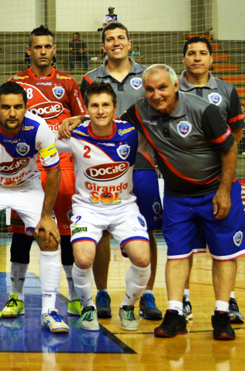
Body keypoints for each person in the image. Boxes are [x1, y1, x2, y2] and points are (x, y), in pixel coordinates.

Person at [62, 64, 244, 341]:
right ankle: (174, 313)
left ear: (175, 86)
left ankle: (221, 314)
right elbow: (106, 121)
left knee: (223, 254)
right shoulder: (138, 113)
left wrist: (223, 190)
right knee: (178, 253)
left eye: (161, 88)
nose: (156, 94)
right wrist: (77, 118)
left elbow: (230, 146)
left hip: (215, 189)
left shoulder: (203, 110)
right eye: (149, 89)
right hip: (177, 195)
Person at [0, 81, 67, 333]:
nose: (12, 113)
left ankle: (49, 311)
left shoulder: (38, 127)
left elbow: (53, 172)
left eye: (18, 107)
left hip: (26, 187)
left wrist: (46, 216)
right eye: (5, 107)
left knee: (49, 237)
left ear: (26, 107)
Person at [80, 22, 162, 321]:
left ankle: (148, 294)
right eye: (109, 39)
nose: (115, 43)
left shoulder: (149, 75)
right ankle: (102, 291)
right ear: (103, 47)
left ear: (130, 43)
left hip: (141, 163)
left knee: (147, 229)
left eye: (120, 38)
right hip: (101, 166)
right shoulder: (89, 79)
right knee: (100, 229)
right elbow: (82, 116)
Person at [56, 81, 151, 332]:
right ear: (86, 109)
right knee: (85, 259)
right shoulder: (75, 133)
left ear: (114, 108)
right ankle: (88, 308)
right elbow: (41, 140)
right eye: (94, 106)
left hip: (124, 207)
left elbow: (160, 137)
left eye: (105, 105)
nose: (100, 111)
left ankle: (128, 306)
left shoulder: (131, 133)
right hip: (87, 208)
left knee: (142, 258)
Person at [8, 25, 85, 320]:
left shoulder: (68, 83)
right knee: (21, 235)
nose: (42, 51)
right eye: (37, 47)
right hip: (27, 167)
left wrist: (74, 119)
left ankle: (75, 296)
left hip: (62, 168)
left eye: (47, 47)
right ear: (29, 50)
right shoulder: (16, 82)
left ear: (54, 50)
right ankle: (15, 296)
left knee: (64, 235)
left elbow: (83, 115)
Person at [178, 36, 245, 323]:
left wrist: (219, 161)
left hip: (219, 180)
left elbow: (236, 134)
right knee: (183, 246)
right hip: (182, 182)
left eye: (202, 53)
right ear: (183, 59)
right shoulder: (171, 88)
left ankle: (228, 301)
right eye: (191, 53)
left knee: (226, 245)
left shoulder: (227, 91)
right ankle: (183, 300)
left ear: (211, 59)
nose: (197, 58)